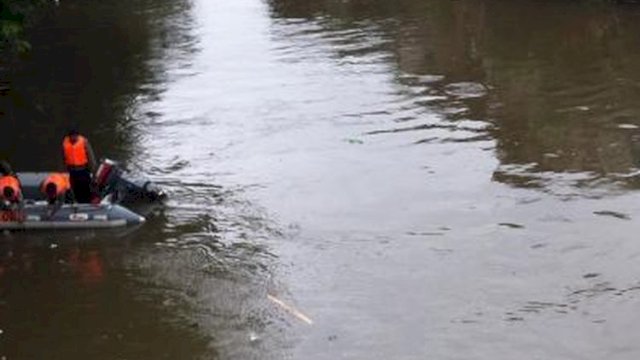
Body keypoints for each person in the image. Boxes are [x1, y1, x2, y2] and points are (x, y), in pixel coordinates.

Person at [62, 128, 97, 203]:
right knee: (75, 189)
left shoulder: (84, 142)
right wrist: (63, 171)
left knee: (85, 188)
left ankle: (87, 202)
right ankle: (77, 202)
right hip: (71, 170)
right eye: (72, 136)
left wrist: (93, 170)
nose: (74, 137)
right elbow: (63, 157)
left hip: (83, 169)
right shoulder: (65, 143)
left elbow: (91, 156)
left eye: (76, 136)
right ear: (69, 136)